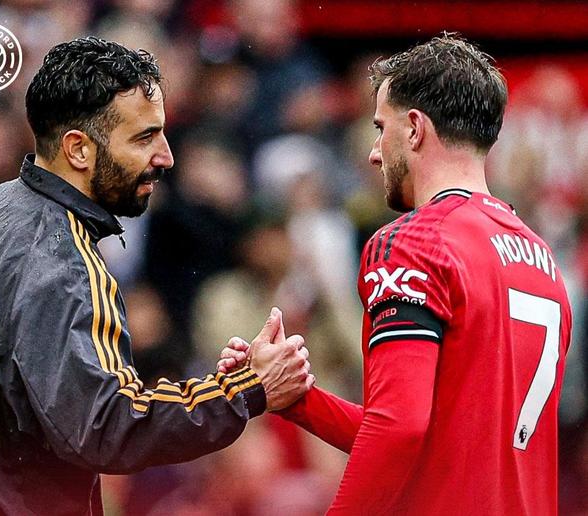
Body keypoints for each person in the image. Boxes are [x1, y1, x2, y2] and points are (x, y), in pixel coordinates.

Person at [0, 37, 313, 515]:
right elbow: (107, 425)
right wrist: (245, 390)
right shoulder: (62, 259)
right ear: (79, 149)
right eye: (144, 137)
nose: (166, 156)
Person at [219, 34, 572, 515]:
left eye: (380, 128)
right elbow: (428, 441)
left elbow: (398, 428)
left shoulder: (412, 241)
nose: (373, 153)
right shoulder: (541, 259)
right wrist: (297, 399)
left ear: (415, 129)